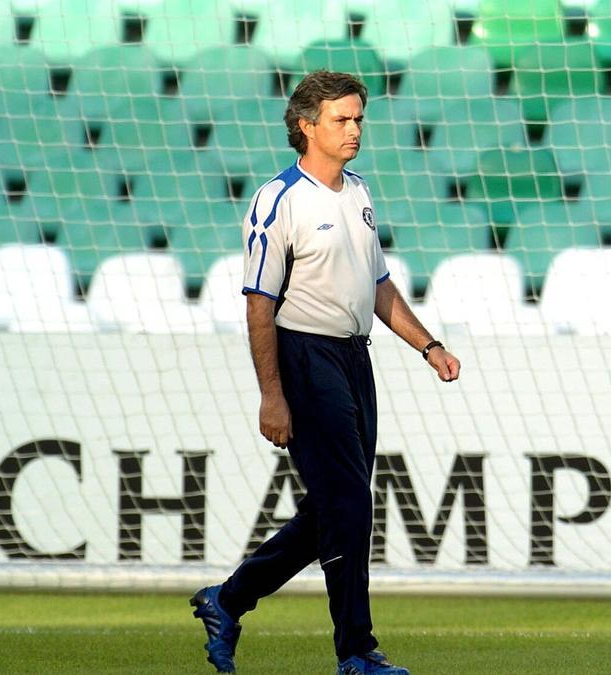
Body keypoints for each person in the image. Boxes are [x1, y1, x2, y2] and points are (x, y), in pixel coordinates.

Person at [190, 70, 460, 675]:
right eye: (342, 119)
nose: (355, 129)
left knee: (339, 506)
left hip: (353, 358)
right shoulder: (278, 200)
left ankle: (227, 600)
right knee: (348, 505)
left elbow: (379, 284)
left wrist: (428, 345)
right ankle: (357, 652)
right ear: (306, 126)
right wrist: (272, 396)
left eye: (359, 118)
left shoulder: (358, 191)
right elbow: (259, 302)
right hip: (303, 356)